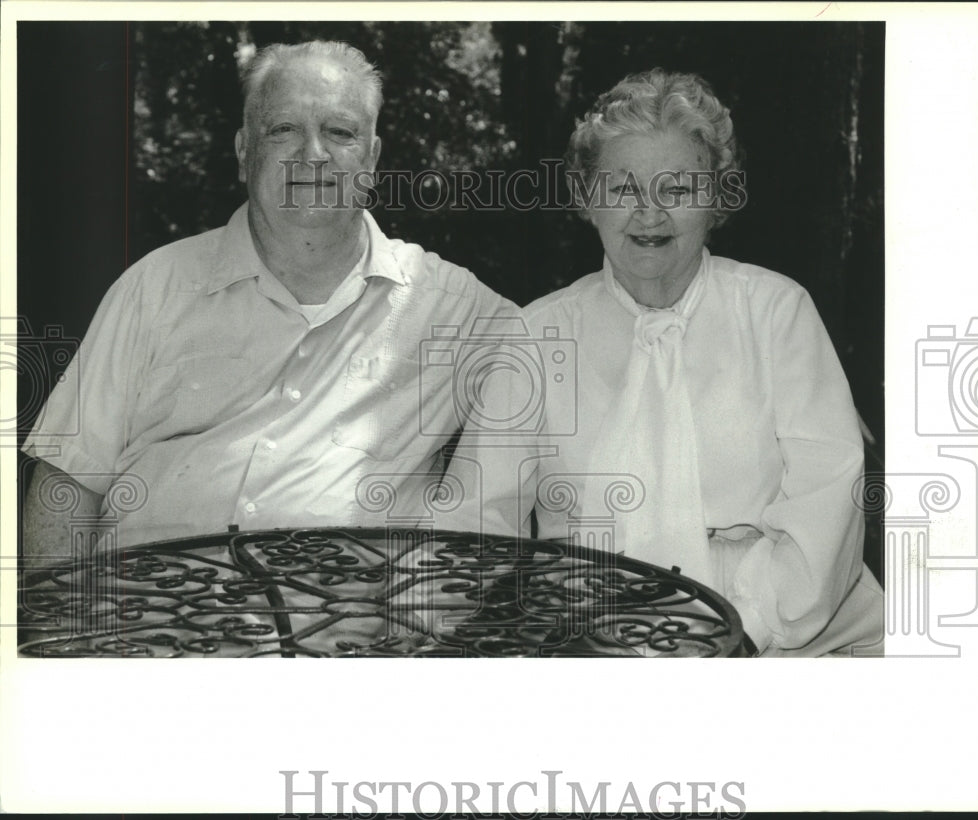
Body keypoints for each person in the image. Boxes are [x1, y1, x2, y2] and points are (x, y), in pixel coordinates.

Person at [442, 69, 884, 657]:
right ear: (587, 200)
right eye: (623, 189)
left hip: (786, 638)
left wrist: (741, 633)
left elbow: (828, 498)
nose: (649, 214)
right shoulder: (537, 333)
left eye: (677, 190)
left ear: (716, 201)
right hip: (593, 638)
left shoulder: (777, 311)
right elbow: (478, 514)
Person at [21, 40, 515, 558]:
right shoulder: (154, 288)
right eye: (284, 130)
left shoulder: (452, 307)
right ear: (243, 152)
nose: (313, 154)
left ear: (370, 160)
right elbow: (67, 484)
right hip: (151, 625)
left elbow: (581, 349)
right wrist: (58, 635)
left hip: (339, 635)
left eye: (340, 132)